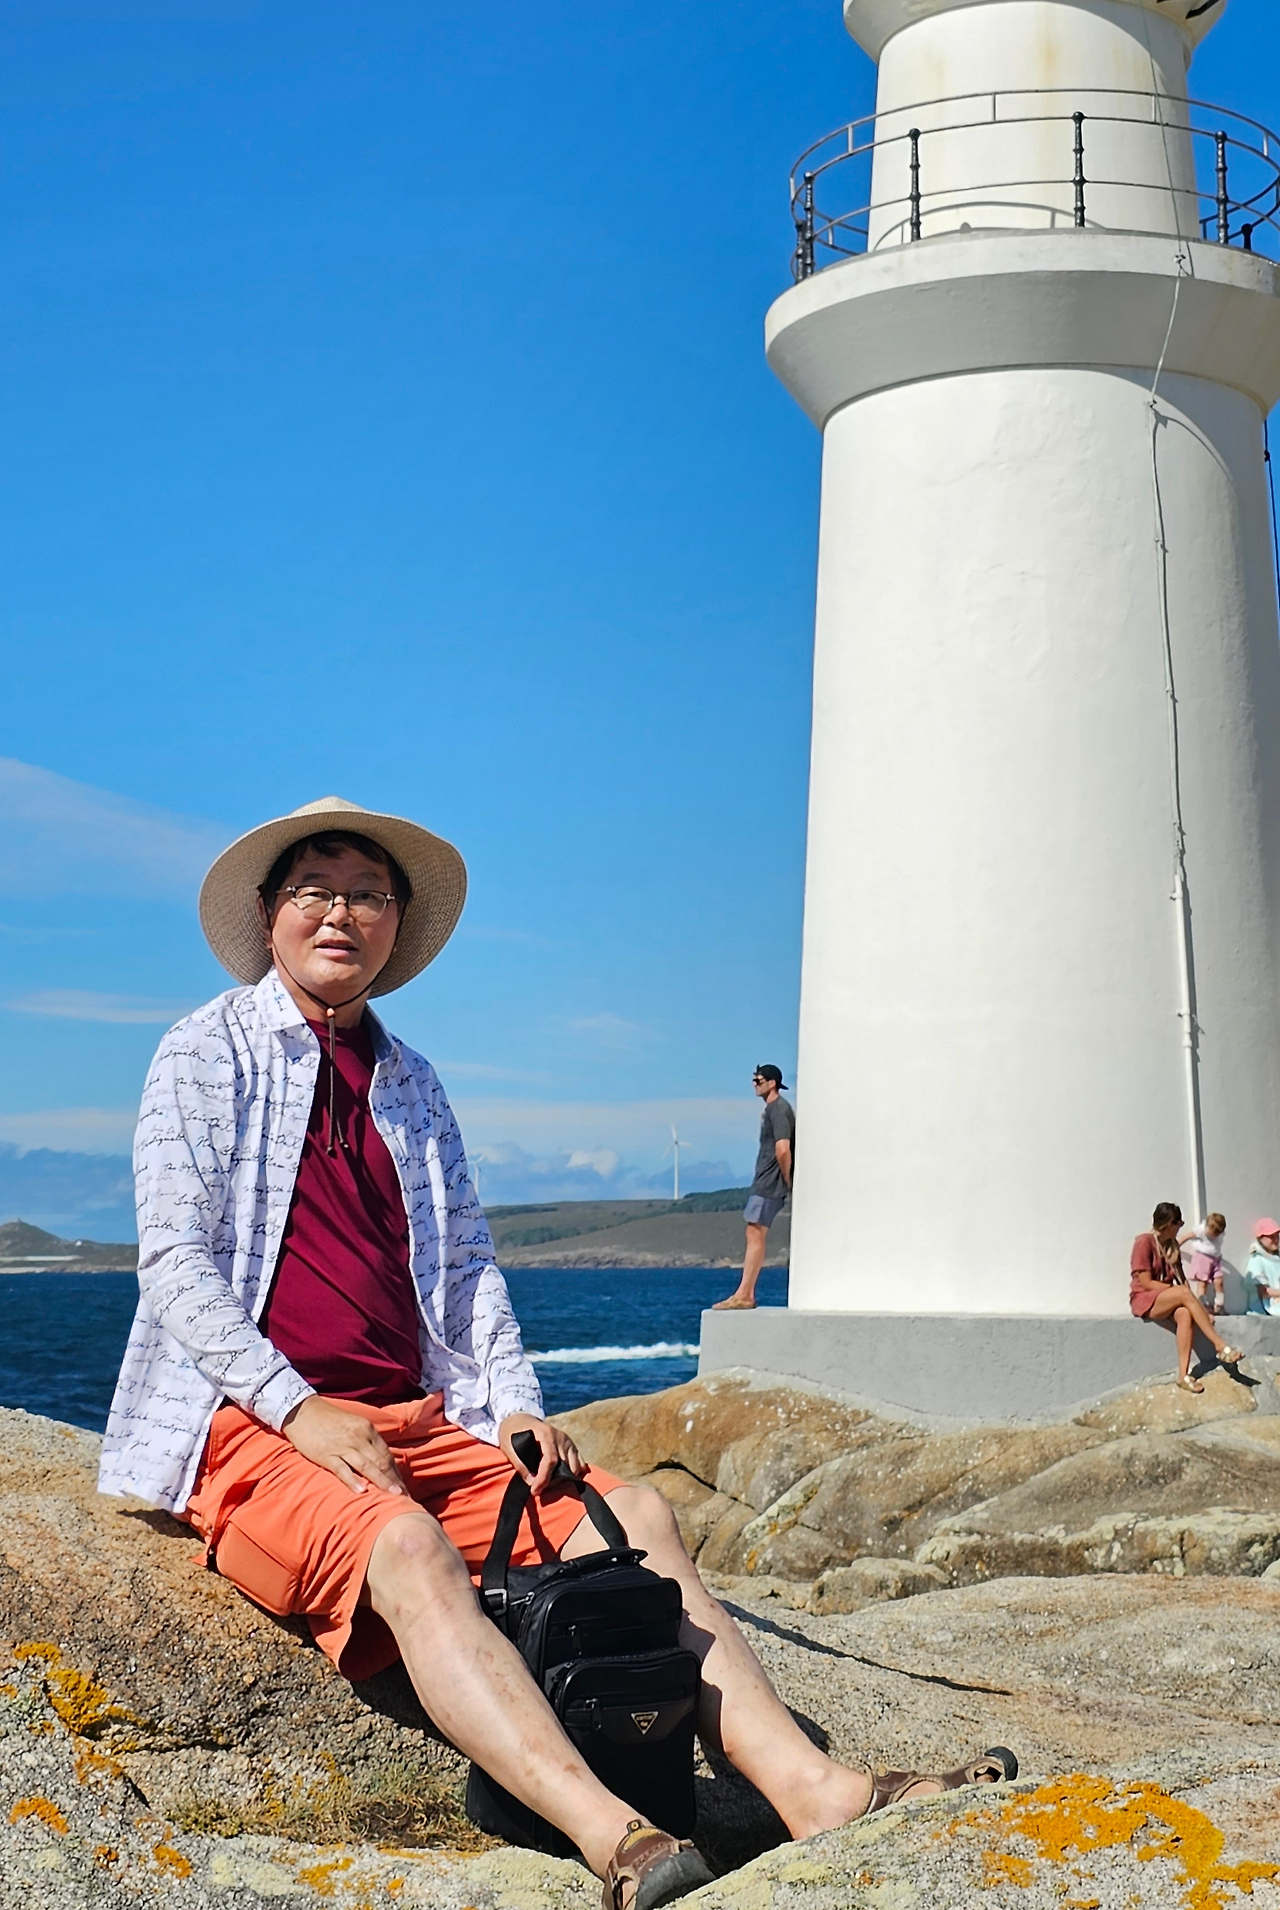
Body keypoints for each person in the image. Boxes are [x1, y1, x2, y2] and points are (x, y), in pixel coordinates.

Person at [100, 799, 1011, 1910]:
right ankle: (615, 1836)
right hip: (257, 1423)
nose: (341, 914)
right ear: (268, 910)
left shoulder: (410, 1079)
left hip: (421, 1419)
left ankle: (813, 1789)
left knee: (639, 1516)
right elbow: (175, 1263)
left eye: (368, 894)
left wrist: (514, 1406)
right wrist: (298, 1407)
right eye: (316, 890)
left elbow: (468, 1265)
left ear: (396, 922)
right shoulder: (205, 1050)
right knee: (406, 1546)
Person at [1129, 1200, 1244, 1393]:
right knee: (1183, 1294)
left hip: (1165, 1299)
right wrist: (1178, 1293)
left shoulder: (1171, 1246)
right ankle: (1220, 1345)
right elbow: (1146, 1283)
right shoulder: (1144, 1242)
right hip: (1145, 1299)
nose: (1180, 1228)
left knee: (1184, 1314)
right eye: (1178, 1224)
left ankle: (1183, 1375)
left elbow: (1182, 1282)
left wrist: (1197, 1308)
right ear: (1168, 1224)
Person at [713, 1065, 795, 1312]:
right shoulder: (773, 1110)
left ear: (772, 1083)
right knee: (753, 1232)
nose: (754, 1085)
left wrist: (787, 1178)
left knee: (755, 1232)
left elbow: (783, 1148)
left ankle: (745, 1294)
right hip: (765, 1179)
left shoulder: (778, 1110)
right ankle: (744, 1292)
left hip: (769, 1182)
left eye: (758, 1080)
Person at [1177, 1212, 1227, 1313]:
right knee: (1203, 1283)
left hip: (1215, 1259)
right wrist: (1176, 1246)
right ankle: (1202, 1305)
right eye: (1212, 1233)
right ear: (1207, 1226)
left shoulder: (1219, 1232)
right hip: (1202, 1258)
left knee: (1219, 1281)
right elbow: (1187, 1236)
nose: (1214, 1236)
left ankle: (1219, 1304)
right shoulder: (1201, 1230)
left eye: (1216, 1234)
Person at [1243, 1219, 1280, 1315]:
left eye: (1277, 1235)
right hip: (1263, 1312)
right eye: (1271, 1236)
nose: (1276, 1239)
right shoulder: (1257, 1260)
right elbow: (1264, 1292)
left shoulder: (1277, 1258)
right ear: (1260, 1238)